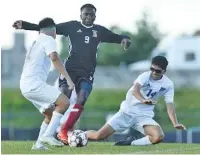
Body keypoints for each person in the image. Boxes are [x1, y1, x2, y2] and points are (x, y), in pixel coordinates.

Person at [13, 3, 131, 144]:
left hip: (87, 72)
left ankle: (64, 131)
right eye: (85, 14)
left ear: (95, 16)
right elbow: (49, 28)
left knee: (81, 99)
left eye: (91, 14)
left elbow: (116, 37)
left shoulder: (99, 31)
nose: (88, 17)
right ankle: (51, 132)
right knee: (63, 98)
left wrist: (125, 39)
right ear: (80, 15)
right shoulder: (72, 26)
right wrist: (25, 25)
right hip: (70, 69)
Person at [86, 56, 186, 146]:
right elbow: (135, 90)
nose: (154, 72)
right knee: (98, 136)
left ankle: (130, 143)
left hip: (143, 116)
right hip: (127, 112)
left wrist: (175, 123)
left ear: (164, 71)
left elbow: (169, 104)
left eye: (158, 71)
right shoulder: (145, 76)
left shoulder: (168, 84)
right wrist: (143, 100)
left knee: (158, 136)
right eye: (152, 69)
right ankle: (77, 135)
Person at [19, 17, 74, 150]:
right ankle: (48, 135)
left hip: (25, 86)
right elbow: (54, 57)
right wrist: (68, 79)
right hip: (34, 84)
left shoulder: (37, 40)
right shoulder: (48, 39)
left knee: (50, 114)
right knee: (64, 102)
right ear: (54, 30)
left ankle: (38, 145)